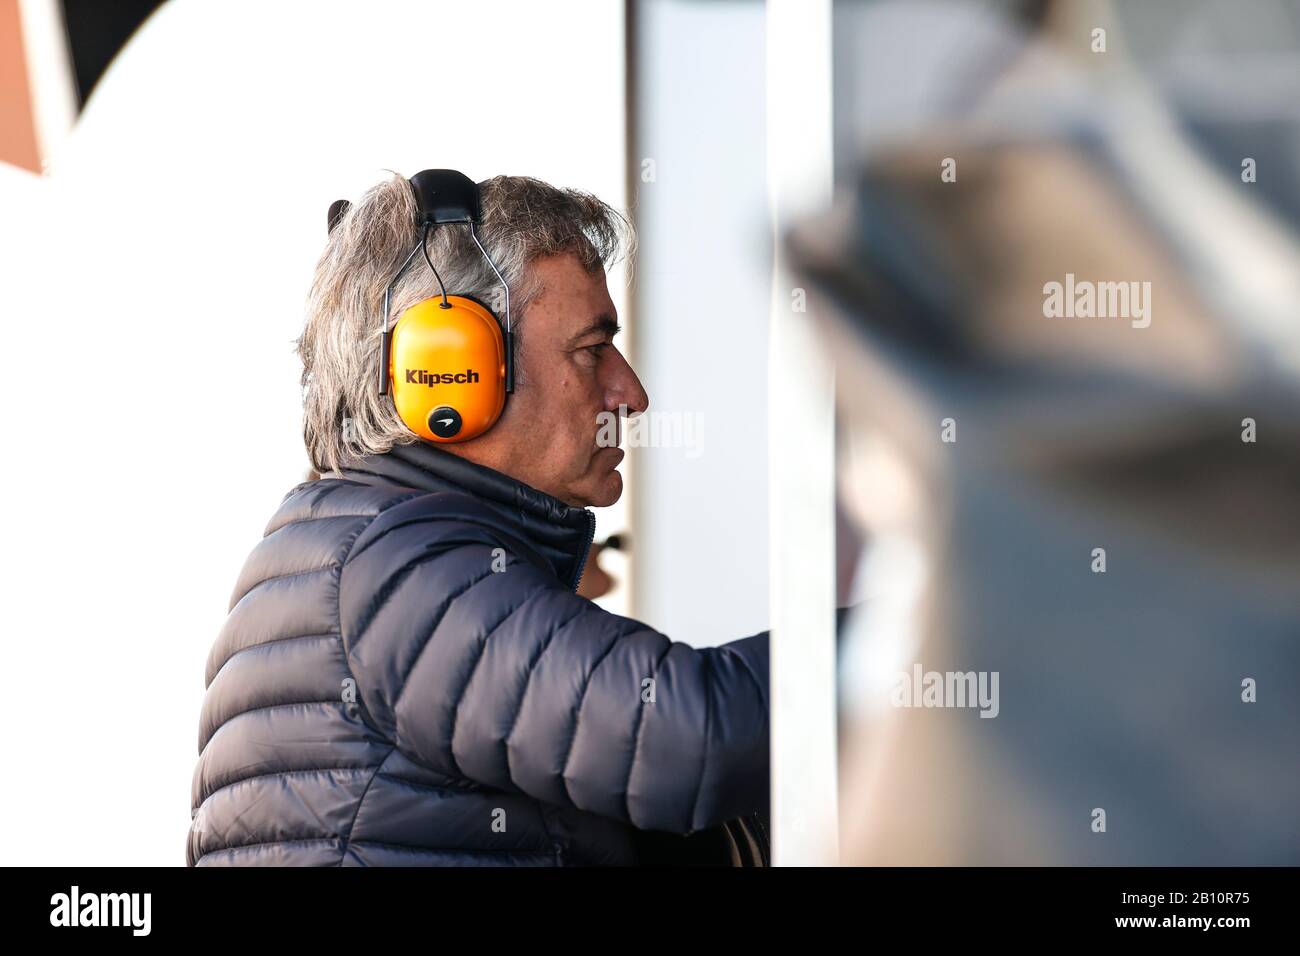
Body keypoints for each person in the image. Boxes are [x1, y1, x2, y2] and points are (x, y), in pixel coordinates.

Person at [186, 171, 770, 866]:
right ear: (453, 373)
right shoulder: (397, 567)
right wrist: (904, 648)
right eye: (591, 350)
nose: (630, 393)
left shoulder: (356, 548)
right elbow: (686, 736)